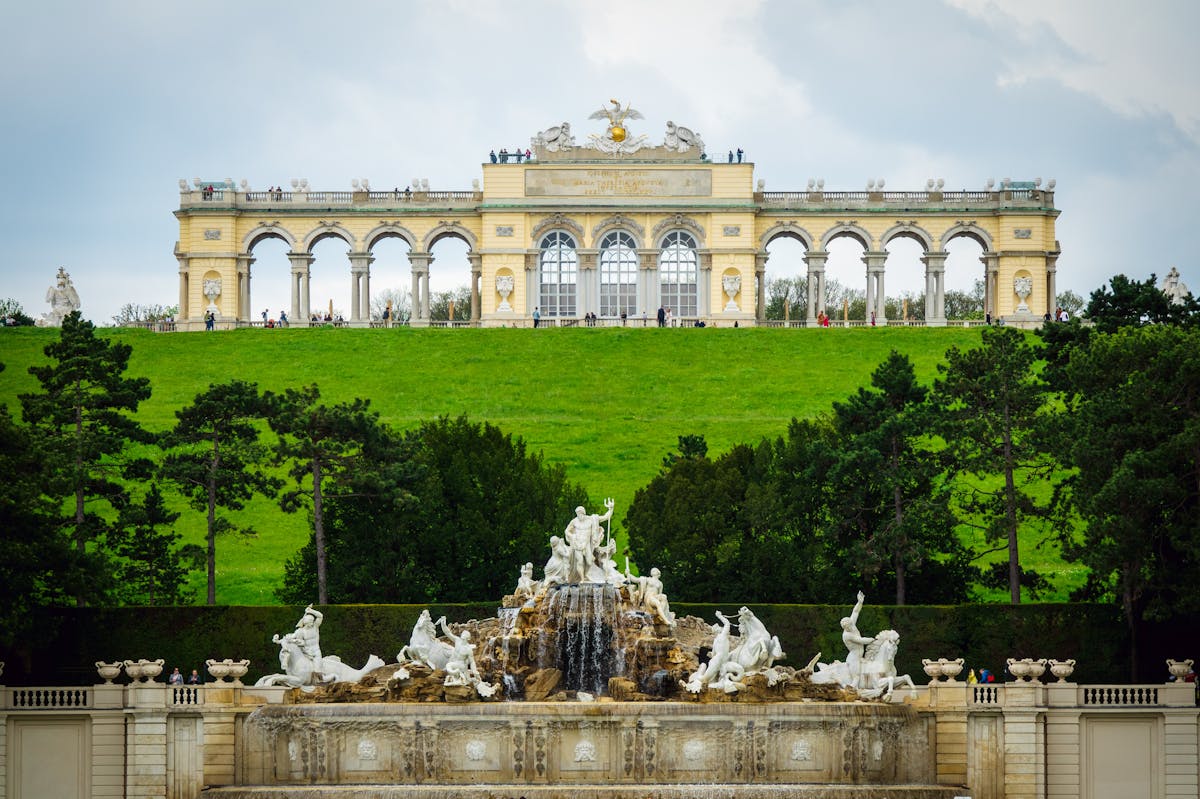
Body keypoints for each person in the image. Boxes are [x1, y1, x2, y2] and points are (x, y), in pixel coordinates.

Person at [563, 498, 615, 583]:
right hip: (577, 544)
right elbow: (567, 531)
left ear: (583, 513)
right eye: (577, 514)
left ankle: (586, 575)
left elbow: (606, 517)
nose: (579, 516)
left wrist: (611, 508)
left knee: (589, 562)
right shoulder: (574, 521)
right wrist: (572, 535)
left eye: (580, 513)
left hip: (586, 544)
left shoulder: (592, 520)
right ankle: (582, 579)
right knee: (579, 561)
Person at [840, 591, 874, 690]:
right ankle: (850, 691)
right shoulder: (847, 635)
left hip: (859, 655)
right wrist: (872, 640)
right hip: (854, 657)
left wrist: (860, 602)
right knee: (856, 677)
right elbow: (861, 640)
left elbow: (855, 612)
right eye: (847, 627)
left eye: (850, 625)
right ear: (844, 628)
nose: (850, 627)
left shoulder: (851, 624)